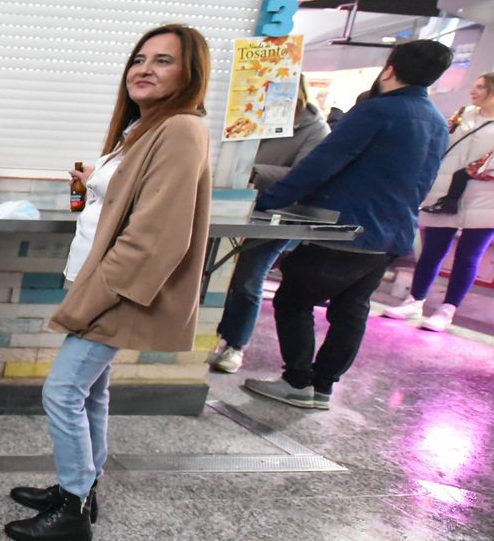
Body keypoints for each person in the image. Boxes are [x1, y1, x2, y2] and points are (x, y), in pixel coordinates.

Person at [5, 23, 214, 541]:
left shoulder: (181, 129)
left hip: (115, 291)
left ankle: (73, 509)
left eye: (163, 61)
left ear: (190, 73)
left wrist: (93, 298)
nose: (144, 69)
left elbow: (156, 237)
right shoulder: (143, 128)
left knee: (62, 391)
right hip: (97, 281)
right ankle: (82, 488)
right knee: (92, 394)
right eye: (139, 59)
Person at [244, 39, 454, 409]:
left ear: (389, 69)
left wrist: (269, 200)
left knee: (294, 298)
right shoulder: (437, 121)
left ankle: (297, 382)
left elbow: (323, 163)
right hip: (392, 235)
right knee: (352, 308)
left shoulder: (377, 111)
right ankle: (323, 387)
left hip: (346, 228)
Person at [206, 76, 331, 372]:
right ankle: (206, 335)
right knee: (209, 275)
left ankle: (235, 344)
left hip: (275, 214)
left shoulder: (315, 129)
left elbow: (306, 174)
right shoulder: (248, 115)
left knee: (248, 281)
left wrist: (253, 171)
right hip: (228, 206)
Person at [383, 71, 494, 332]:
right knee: (432, 251)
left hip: (486, 198)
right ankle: (415, 300)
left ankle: (447, 309)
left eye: (480, 87)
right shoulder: (463, 115)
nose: (472, 91)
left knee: (469, 256)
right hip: (445, 194)